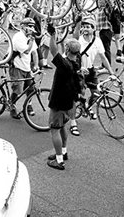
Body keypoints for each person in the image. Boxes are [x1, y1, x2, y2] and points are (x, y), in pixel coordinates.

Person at [67, 15, 114, 136]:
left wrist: (111, 72)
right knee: (77, 95)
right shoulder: (79, 40)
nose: (85, 29)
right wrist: (78, 23)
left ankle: (85, 106)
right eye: (84, 27)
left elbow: (103, 57)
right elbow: (75, 35)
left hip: (90, 70)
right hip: (78, 71)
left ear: (94, 29)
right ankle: (73, 123)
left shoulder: (97, 41)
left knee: (97, 94)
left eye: (88, 27)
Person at [46, 23, 82, 171]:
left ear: (67, 49)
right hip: (68, 101)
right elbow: (76, 39)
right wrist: (78, 23)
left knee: (54, 129)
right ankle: (64, 151)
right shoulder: (76, 61)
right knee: (62, 127)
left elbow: (53, 50)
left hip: (58, 101)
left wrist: (52, 35)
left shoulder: (64, 64)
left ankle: (59, 160)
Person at [10, 17, 39, 119]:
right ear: (22, 26)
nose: (31, 28)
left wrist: (36, 65)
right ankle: (12, 106)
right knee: (18, 89)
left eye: (32, 26)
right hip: (17, 66)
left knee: (30, 88)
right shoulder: (18, 37)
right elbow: (27, 51)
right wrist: (31, 41)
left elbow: (34, 52)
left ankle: (28, 105)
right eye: (29, 26)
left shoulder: (29, 36)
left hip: (27, 67)